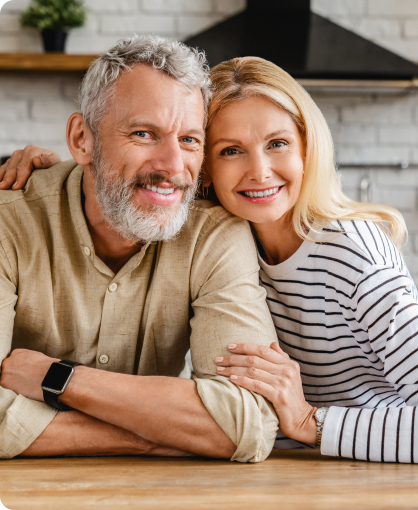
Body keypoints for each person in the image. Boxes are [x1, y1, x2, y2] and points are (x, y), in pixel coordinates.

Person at [3, 57, 418, 464]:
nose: (259, 170)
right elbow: (134, 175)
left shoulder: (353, 256)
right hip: (279, 475)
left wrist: (308, 421)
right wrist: (62, 168)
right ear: (206, 172)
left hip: (372, 475)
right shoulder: (218, 231)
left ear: (308, 147)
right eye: (231, 150)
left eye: (278, 143)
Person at [0, 37, 279, 462]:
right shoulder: (8, 221)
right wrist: (153, 436)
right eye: (144, 133)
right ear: (82, 139)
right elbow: (224, 430)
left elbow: (248, 423)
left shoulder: (215, 235)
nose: (171, 165)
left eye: (189, 140)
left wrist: (58, 379)